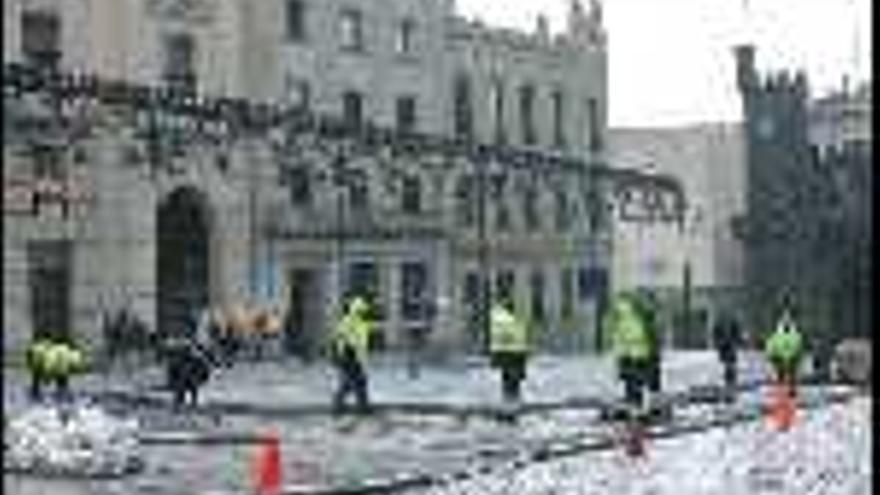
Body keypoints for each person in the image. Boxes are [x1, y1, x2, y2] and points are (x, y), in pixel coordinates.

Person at [603, 293, 651, 410]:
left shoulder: (618, 315)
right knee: (636, 380)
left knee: (630, 380)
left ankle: (632, 401)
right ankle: (636, 402)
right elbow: (641, 333)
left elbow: (612, 332)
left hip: (626, 352)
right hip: (638, 352)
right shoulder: (634, 314)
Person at [330, 296, 373, 414]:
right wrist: (363, 362)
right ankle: (343, 406)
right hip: (350, 354)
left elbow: (338, 338)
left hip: (345, 354)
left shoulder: (347, 320)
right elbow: (359, 345)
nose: (367, 313)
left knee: (354, 382)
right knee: (355, 381)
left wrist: (338, 355)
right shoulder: (359, 323)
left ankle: (359, 406)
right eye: (364, 311)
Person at [488, 298, 530, 406]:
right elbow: (511, 335)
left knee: (509, 378)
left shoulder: (504, 318)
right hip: (512, 353)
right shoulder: (507, 319)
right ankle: (511, 399)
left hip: (510, 353)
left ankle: (510, 399)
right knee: (512, 379)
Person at [25, 337, 87, 403]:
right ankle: (61, 397)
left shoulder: (62, 350)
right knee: (61, 382)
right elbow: (49, 362)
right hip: (56, 366)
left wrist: (46, 376)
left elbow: (48, 362)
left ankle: (37, 394)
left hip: (52, 364)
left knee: (38, 378)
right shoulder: (68, 351)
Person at [764, 309, 804, 397]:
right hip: (780, 359)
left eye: (788, 324)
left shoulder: (796, 335)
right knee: (780, 376)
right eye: (785, 323)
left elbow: (799, 347)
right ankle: (780, 392)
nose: (787, 325)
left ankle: (791, 391)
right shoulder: (777, 334)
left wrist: (798, 357)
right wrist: (771, 356)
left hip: (792, 359)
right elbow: (771, 346)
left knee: (792, 376)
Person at [713, 311, 742, 394]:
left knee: (730, 364)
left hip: (727, 347)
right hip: (727, 347)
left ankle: (730, 382)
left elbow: (717, 336)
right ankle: (730, 382)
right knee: (729, 364)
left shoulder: (729, 326)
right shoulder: (726, 327)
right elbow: (717, 336)